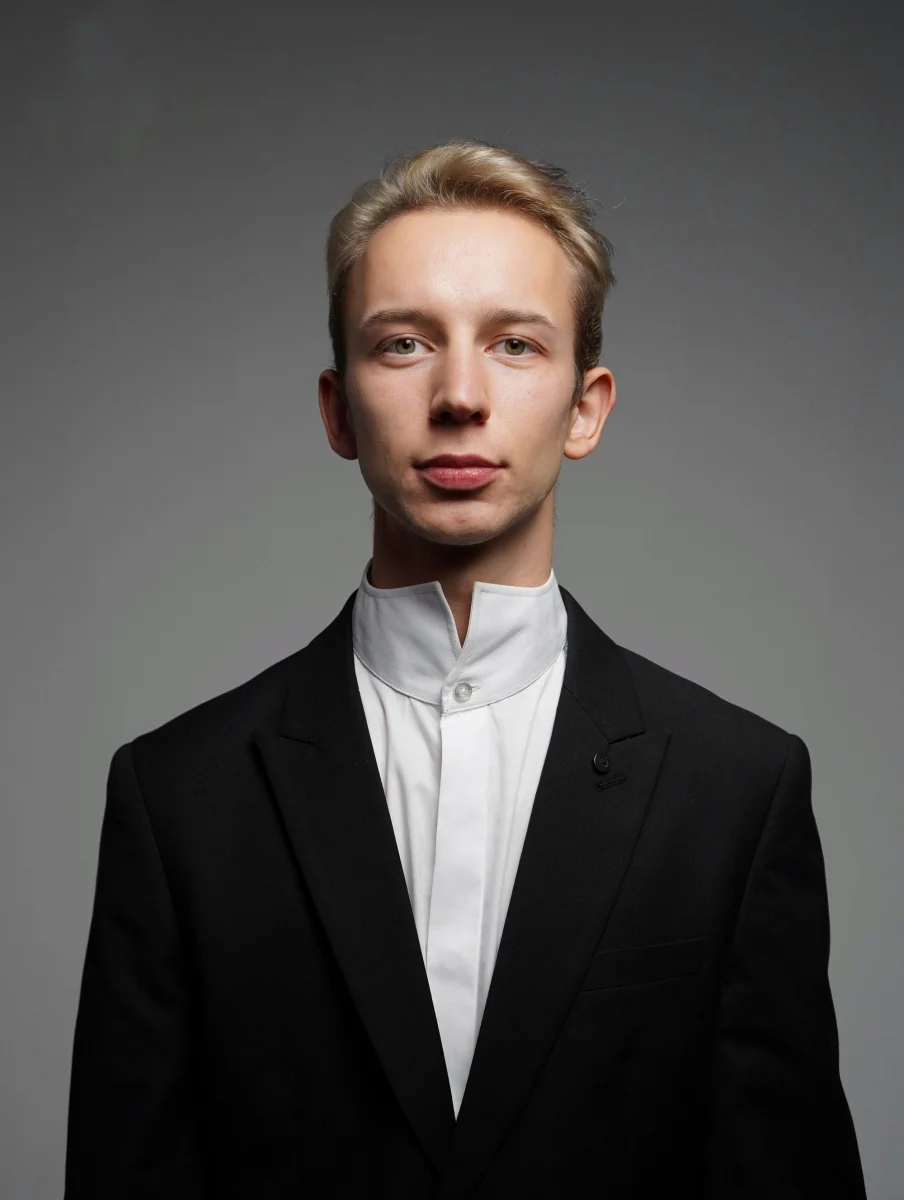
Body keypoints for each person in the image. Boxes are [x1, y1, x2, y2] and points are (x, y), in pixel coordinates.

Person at [64, 138, 867, 1197]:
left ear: (586, 407)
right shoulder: (177, 795)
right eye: (403, 343)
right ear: (337, 409)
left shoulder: (738, 790)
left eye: (514, 344)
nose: (459, 395)